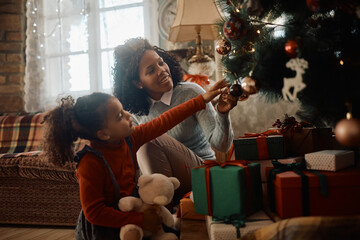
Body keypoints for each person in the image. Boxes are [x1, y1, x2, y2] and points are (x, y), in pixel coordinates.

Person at [41, 80, 227, 240]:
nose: (129, 116)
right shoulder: (89, 164)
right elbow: (94, 213)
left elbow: (165, 121)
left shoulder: (129, 139)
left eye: (124, 110)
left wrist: (201, 100)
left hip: (132, 209)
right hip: (106, 227)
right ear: (104, 134)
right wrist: (139, 220)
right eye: (120, 116)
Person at [113, 38, 238, 204]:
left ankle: (161, 209)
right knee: (142, 141)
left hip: (199, 172)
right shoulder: (133, 113)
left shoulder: (191, 92)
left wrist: (222, 113)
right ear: (138, 83)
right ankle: (161, 208)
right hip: (160, 181)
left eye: (161, 63)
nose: (162, 70)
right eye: (151, 70)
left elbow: (221, 145)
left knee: (147, 137)